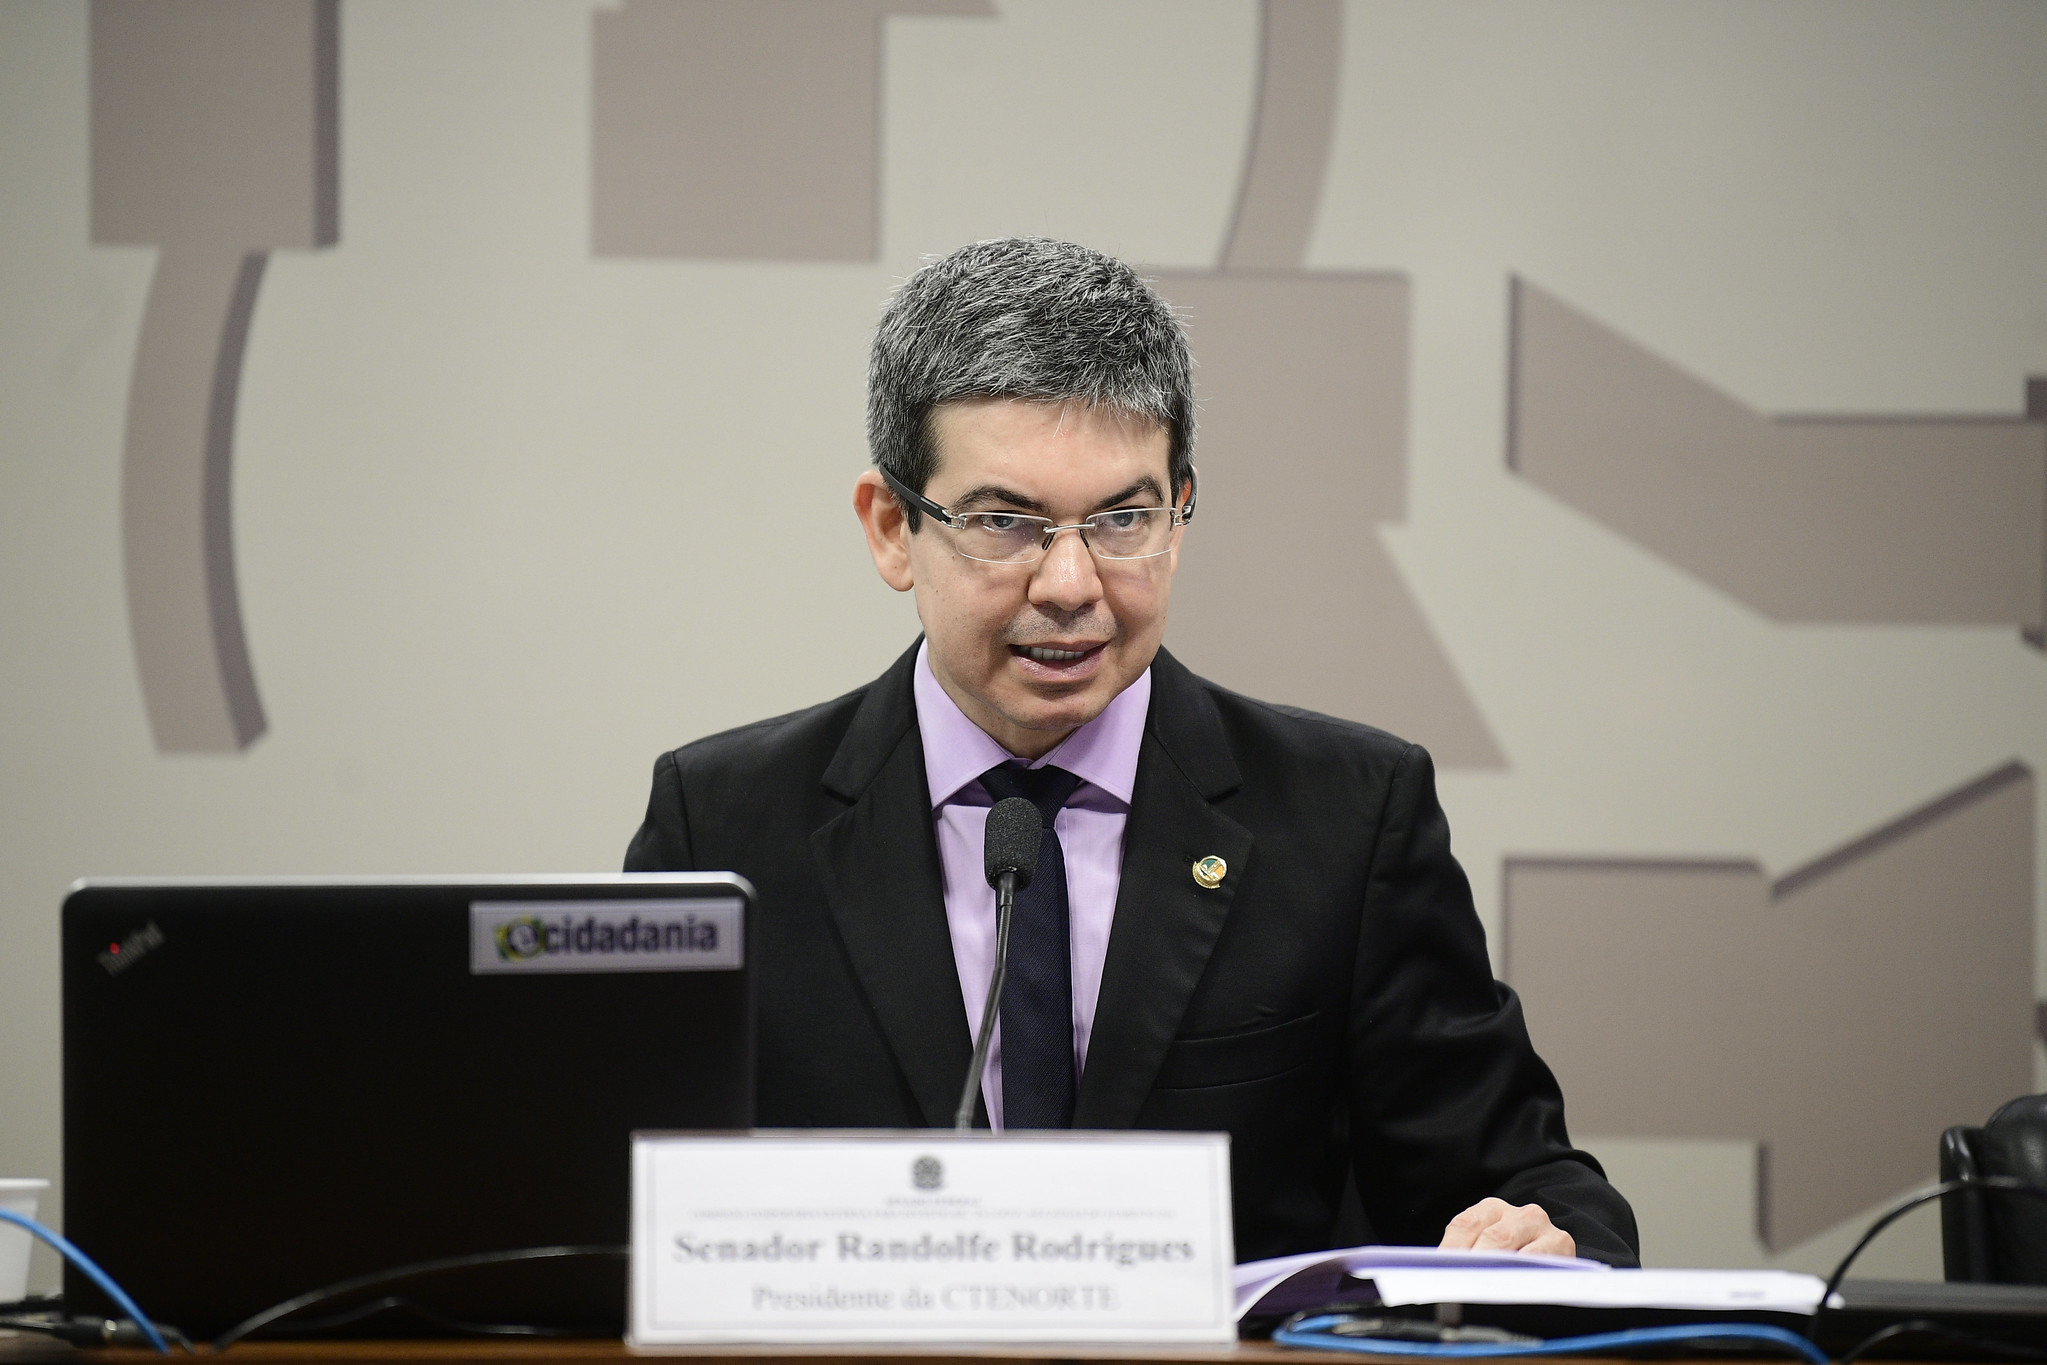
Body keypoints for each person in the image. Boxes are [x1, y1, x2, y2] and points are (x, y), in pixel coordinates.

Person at [626, 237, 1638, 1266]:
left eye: (1122, 519)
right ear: (892, 527)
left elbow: (1522, 1178)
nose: (1070, 584)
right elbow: (612, 1209)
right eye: (1004, 521)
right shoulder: (725, 828)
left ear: (1179, 518)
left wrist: (1539, 1234)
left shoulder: (1347, 819)